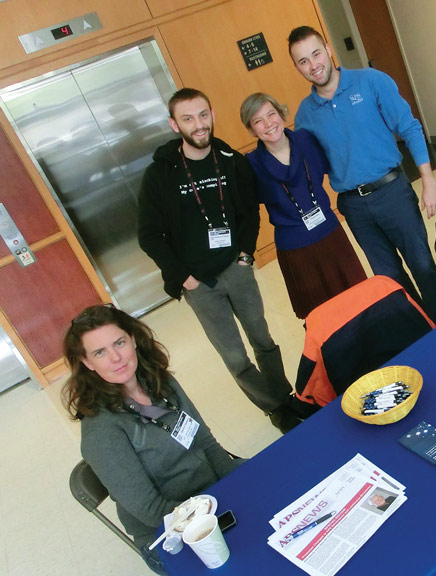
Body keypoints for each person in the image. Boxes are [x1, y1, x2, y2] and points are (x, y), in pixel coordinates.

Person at [138, 87, 301, 433]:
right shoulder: (160, 175)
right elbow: (149, 235)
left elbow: (249, 214)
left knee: (263, 340)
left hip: (236, 269)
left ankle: (286, 397)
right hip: (199, 284)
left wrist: (245, 254)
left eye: (203, 115)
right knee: (235, 356)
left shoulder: (231, 161)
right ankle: (275, 409)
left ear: (211, 115)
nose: (198, 125)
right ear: (173, 124)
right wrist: (184, 277)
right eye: (188, 118)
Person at [287, 26, 436, 325]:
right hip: (353, 206)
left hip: (392, 192)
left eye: (315, 54)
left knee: (422, 266)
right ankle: (421, 331)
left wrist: (428, 182)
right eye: (303, 61)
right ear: (297, 67)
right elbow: (309, 167)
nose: (313, 65)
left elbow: (409, 127)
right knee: (388, 279)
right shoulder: (305, 114)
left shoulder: (371, 81)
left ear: (328, 49)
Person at [62, 305, 241, 575]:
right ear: (87, 363)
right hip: (171, 530)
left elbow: (204, 441)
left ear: (133, 339)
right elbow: (151, 510)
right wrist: (211, 521)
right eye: (100, 352)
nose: (115, 358)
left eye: (119, 343)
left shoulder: (160, 381)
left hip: (212, 495)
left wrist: (238, 486)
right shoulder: (101, 430)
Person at [240, 92, 366, 319]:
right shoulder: (251, 165)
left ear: (281, 113)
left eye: (271, 114)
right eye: (258, 121)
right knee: (320, 317)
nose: (269, 124)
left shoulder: (306, 140)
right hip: (295, 248)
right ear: (251, 130)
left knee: (359, 301)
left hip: (331, 234)